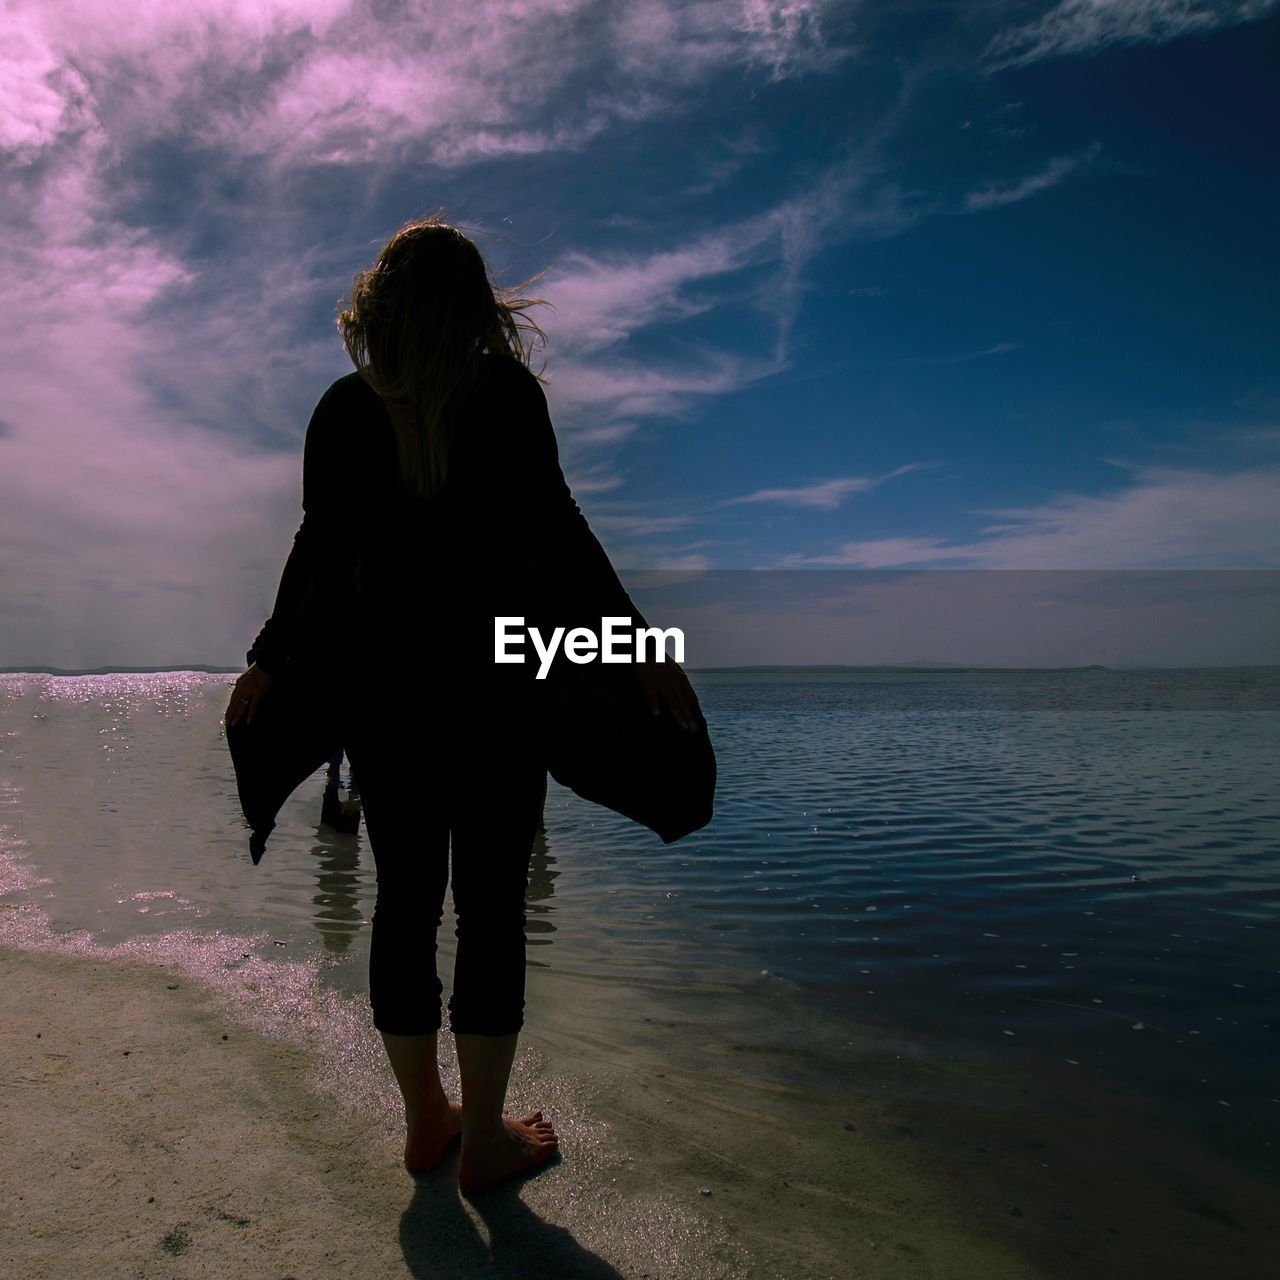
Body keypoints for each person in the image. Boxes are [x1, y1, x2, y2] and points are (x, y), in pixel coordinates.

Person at [224, 217, 699, 1193]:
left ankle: (423, 1121)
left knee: (404, 903)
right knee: (489, 908)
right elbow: (558, 534)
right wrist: (641, 644)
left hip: (384, 696)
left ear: (381, 307)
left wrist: (270, 660)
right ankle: (481, 1134)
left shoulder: (344, 410)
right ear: (477, 308)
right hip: (495, 690)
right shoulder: (506, 397)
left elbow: (318, 552)